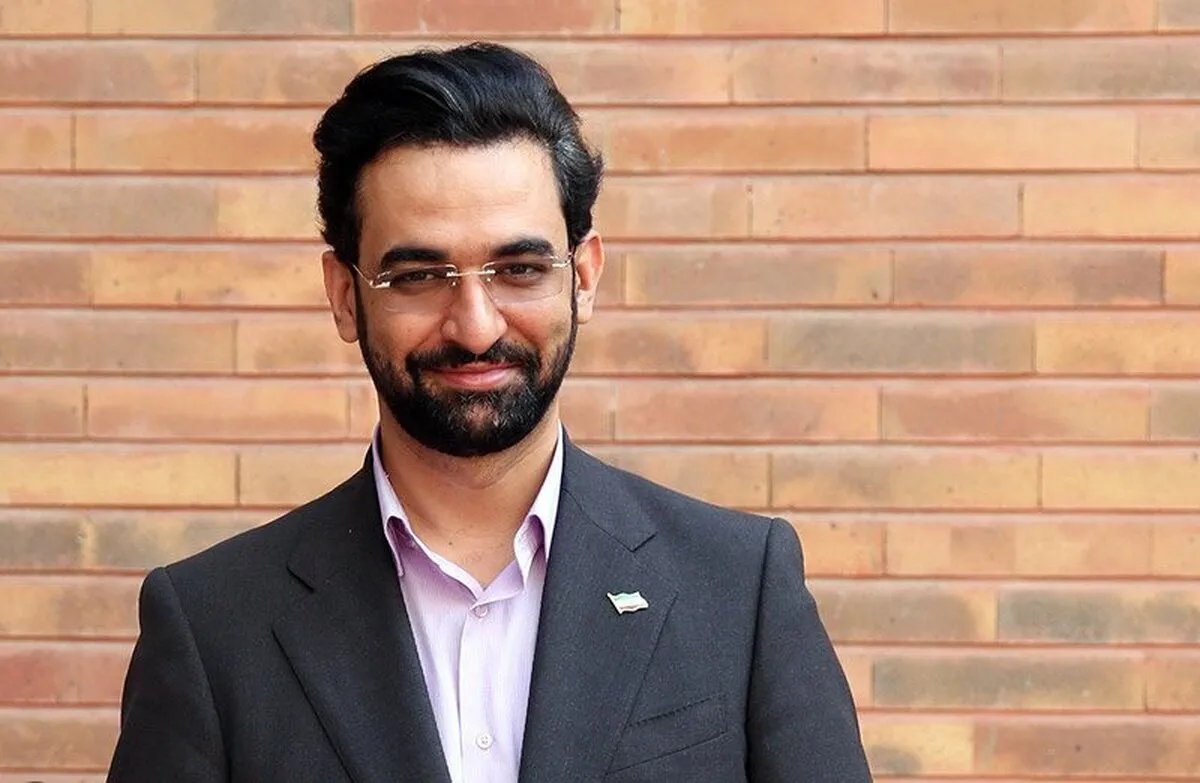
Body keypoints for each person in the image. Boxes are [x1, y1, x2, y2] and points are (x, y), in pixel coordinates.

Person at [107, 42, 872, 782]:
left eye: (519, 269)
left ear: (583, 278)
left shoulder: (738, 589)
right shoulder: (212, 626)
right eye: (418, 276)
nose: (475, 327)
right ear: (344, 296)